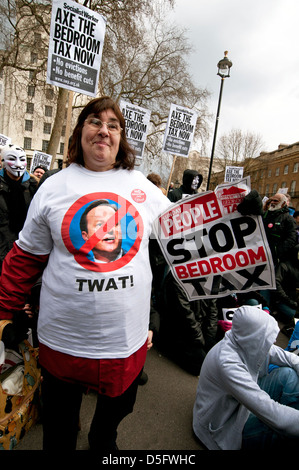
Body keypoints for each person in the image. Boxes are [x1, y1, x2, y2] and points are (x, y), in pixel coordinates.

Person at [0, 96, 171, 451]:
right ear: (80, 132)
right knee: (59, 433)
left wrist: (242, 215)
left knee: (107, 432)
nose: (103, 131)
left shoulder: (142, 187)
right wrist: (2, 315)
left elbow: (189, 234)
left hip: (125, 346)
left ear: (121, 137)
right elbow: (25, 258)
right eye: (95, 121)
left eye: (113, 125)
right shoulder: (53, 187)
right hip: (63, 344)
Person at [193, 305, 299, 450]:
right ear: (254, 336)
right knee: (277, 429)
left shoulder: (242, 338)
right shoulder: (227, 362)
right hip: (224, 424)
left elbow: (289, 358)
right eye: (267, 337)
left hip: (238, 405)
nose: (273, 341)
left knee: (288, 375)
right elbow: (270, 411)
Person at [158, 270, 218, 376]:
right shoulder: (178, 276)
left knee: (217, 357)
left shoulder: (212, 274)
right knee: (203, 365)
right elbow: (185, 315)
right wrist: (201, 340)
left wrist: (209, 338)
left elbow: (213, 309)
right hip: (181, 330)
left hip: (199, 328)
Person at [0, 143, 38, 273]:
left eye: (22, 159)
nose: (18, 164)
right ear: (3, 162)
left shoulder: (34, 187)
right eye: (12, 159)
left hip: (27, 254)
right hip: (3, 253)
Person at [262, 193, 297, 267]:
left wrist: (277, 250)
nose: (272, 202)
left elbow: (291, 238)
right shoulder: (264, 215)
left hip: (276, 258)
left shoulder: (288, 219)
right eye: (271, 200)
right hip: (262, 255)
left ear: (283, 203)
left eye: (275, 201)